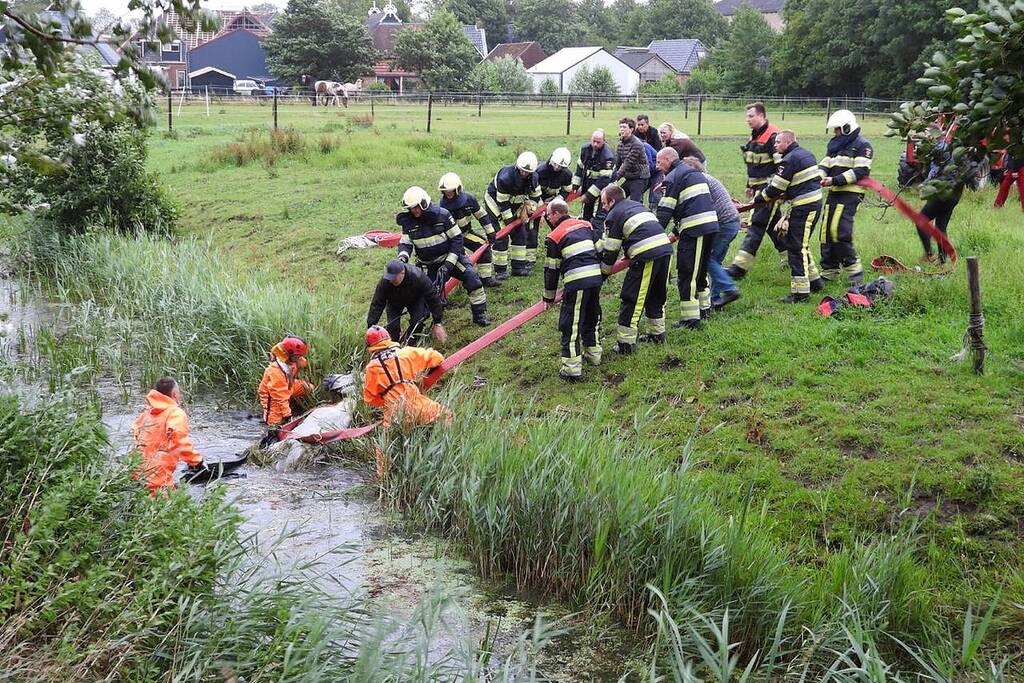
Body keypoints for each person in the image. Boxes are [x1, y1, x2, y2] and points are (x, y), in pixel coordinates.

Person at [397, 186, 489, 326]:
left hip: (451, 258)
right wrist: (402, 258)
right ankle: (420, 324)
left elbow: (457, 239)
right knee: (424, 295)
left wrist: (448, 265)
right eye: (411, 208)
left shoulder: (443, 215)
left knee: (472, 278)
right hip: (428, 265)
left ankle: (479, 315)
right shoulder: (408, 223)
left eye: (416, 207)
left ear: (424, 203)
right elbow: (405, 243)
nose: (414, 211)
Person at [752, 130, 826, 302]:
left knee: (796, 248)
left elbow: (776, 187)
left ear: (788, 142)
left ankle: (800, 294)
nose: (775, 145)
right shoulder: (806, 153)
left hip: (804, 207)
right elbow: (801, 182)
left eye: (778, 142)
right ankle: (815, 282)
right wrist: (788, 194)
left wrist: (758, 199)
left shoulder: (788, 160)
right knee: (801, 245)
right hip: (813, 203)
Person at [599, 184, 673, 353]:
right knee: (656, 294)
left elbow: (611, 250)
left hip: (646, 255)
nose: (603, 207)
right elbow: (640, 231)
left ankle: (626, 344)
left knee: (633, 298)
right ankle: (657, 333)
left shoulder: (614, 215)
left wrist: (602, 274)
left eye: (604, 203)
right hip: (665, 250)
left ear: (611, 201)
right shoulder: (637, 205)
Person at [656, 147, 719, 329]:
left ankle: (690, 319)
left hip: (694, 229)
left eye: (659, 162)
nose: (657, 166)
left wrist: (652, 235)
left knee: (687, 272)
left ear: (668, 159)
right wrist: (675, 231)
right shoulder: (692, 173)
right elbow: (691, 204)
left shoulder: (672, 177)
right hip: (709, 226)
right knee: (701, 271)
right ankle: (705, 309)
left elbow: (664, 212)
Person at [542, 198, 604, 380]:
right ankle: (594, 355)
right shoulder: (586, 225)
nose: (548, 219)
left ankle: (571, 369)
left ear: (556, 214)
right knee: (592, 316)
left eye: (548, 215)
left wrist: (548, 298)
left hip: (577, 283)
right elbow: (600, 250)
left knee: (571, 324)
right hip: (595, 279)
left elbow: (551, 270)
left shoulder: (554, 237)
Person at [725, 102, 786, 279]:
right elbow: (754, 163)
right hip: (758, 188)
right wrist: (749, 185)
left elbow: (782, 167)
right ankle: (790, 256)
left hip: (769, 190)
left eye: (751, 116)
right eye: (747, 116)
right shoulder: (755, 135)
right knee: (772, 226)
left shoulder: (772, 136)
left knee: (756, 225)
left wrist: (777, 191)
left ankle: (739, 268)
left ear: (761, 116)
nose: (748, 119)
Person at [818, 109, 873, 286]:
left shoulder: (863, 145)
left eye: (837, 129)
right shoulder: (835, 145)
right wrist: (819, 176)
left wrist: (834, 180)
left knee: (839, 231)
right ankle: (829, 270)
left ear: (847, 128)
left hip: (851, 193)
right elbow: (825, 163)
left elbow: (860, 171)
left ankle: (854, 271)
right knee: (826, 232)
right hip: (834, 192)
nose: (835, 133)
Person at [362, 325, 451, 429]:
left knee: (392, 436)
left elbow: (370, 399)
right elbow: (438, 358)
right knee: (445, 415)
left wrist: (388, 400)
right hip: (418, 405)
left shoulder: (371, 368)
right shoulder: (406, 353)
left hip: (393, 415)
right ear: (388, 337)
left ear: (370, 346)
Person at [680, 157, 741, 310]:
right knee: (715, 261)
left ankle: (729, 289)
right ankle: (715, 299)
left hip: (724, 224)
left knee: (708, 260)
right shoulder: (707, 178)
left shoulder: (700, 182)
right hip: (732, 222)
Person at [131, 376, 204, 495]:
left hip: (135, 474)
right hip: (157, 479)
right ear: (174, 394)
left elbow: (135, 437)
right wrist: (196, 461)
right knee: (168, 504)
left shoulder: (147, 414)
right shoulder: (175, 413)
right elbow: (179, 441)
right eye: (179, 393)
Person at [484, 152, 542, 278]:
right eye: (522, 170)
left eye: (527, 172)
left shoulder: (534, 178)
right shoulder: (505, 178)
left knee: (521, 234)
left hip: (515, 205)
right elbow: (503, 203)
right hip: (496, 205)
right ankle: (500, 271)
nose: (524, 173)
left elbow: (536, 196)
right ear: (517, 167)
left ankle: (518, 268)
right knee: (501, 236)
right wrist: (510, 222)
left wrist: (531, 209)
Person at [439, 172, 500, 287]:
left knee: (484, 248)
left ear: (458, 189)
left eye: (451, 190)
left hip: (466, 233)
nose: (448, 193)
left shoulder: (469, 199)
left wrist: (490, 232)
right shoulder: (442, 207)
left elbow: (481, 215)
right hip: (450, 239)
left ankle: (485, 279)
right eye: (446, 191)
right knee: (457, 260)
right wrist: (457, 247)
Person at [367, 259, 447, 344]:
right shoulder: (385, 282)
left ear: (402, 273)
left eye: (394, 278)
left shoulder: (418, 277)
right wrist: (371, 327)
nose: (391, 281)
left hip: (415, 300)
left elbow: (433, 298)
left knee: (417, 322)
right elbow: (377, 304)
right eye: (389, 278)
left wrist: (437, 322)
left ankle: (411, 342)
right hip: (394, 303)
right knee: (392, 327)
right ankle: (393, 345)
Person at [258, 335, 313, 445]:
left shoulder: (291, 359)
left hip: (288, 386)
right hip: (273, 396)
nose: (300, 358)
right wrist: (288, 415)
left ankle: (293, 406)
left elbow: (302, 362)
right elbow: (280, 397)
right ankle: (269, 435)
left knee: (309, 387)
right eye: (298, 356)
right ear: (289, 354)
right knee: (275, 424)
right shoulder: (275, 371)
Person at [919, 134, 964, 264]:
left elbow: (935, 169)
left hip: (942, 191)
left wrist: (925, 183)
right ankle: (942, 260)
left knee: (921, 220)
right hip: (955, 192)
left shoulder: (939, 148)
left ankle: (929, 255)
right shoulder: (955, 148)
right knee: (940, 226)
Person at [531, 147, 574, 272]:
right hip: (536, 202)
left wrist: (558, 200)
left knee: (559, 226)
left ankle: (563, 250)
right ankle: (530, 259)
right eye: (555, 164)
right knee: (532, 229)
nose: (557, 168)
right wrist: (539, 204)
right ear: (551, 160)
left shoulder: (566, 175)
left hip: (552, 202)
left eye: (560, 166)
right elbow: (532, 189)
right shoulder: (540, 171)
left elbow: (566, 190)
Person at [571, 129, 615, 240]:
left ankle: (599, 239)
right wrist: (576, 184)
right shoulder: (585, 149)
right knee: (586, 213)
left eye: (598, 142)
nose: (595, 144)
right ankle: (586, 237)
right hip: (589, 184)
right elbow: (580, 167)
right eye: (594, 141)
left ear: (604, 141)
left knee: (599, 217)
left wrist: (588, 195)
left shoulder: (608, 156)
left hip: (605, 189)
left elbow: (604, 180)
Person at [612, 117, 651, 202]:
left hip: (640, 178)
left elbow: (627, 163)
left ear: (631, 129)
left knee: (634, 202)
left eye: (624, 127)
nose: (621, 129)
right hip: (629, 177)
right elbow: (617, 163)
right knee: (616, 199)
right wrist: (611, 177)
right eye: (620, 127)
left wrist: (615, 179)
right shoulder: (620, 144)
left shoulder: (637, 144)